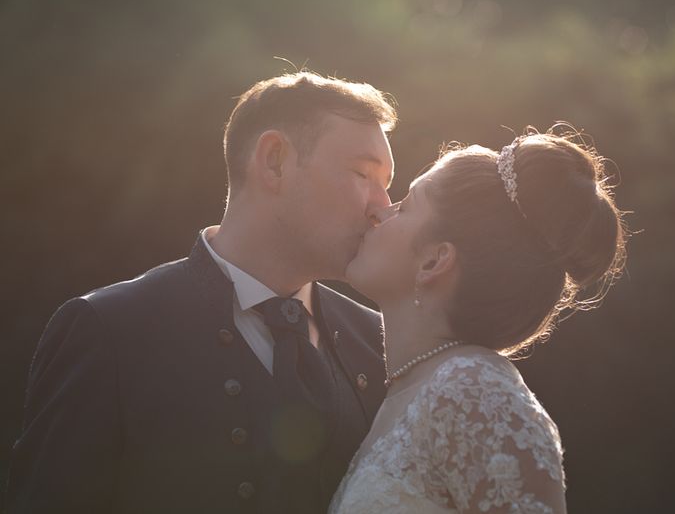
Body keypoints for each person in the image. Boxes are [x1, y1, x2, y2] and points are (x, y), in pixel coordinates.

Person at [5, 71, 398, 514]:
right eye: (364, 174)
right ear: (274, 161)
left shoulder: (381, 342)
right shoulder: (109, 331)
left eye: (387, 182)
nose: (382, 207)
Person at [328, 126, 628, 513]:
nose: (378, 212)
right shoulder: (408, 389)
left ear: (434, 261)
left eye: (404, 207)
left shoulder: (475, 392)